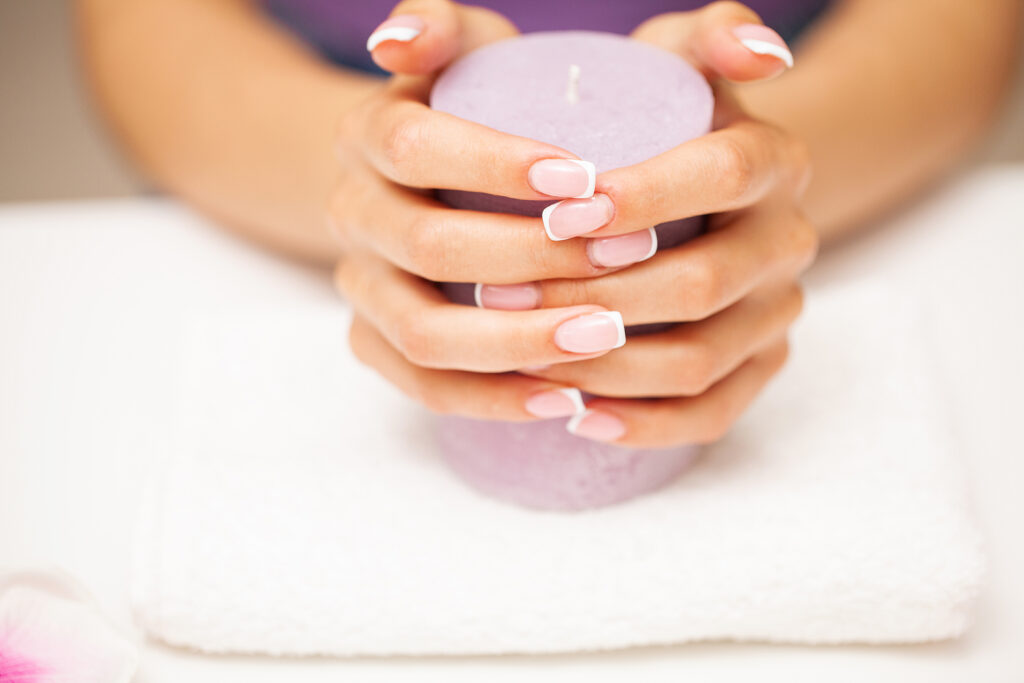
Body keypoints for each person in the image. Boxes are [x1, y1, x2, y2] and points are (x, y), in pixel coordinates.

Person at [77, 0, 1020, 446]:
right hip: (268, 138)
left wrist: (752, 163)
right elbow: (143, 25)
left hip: (829, 96)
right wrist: (378, 164)